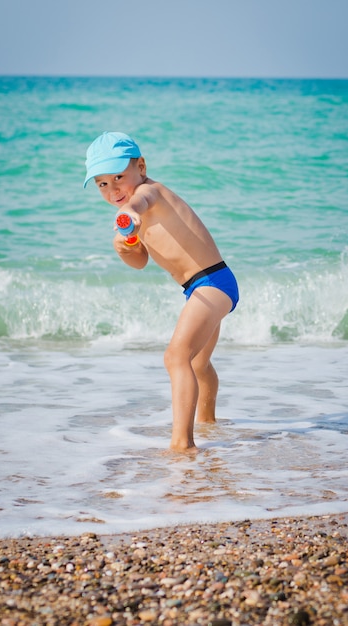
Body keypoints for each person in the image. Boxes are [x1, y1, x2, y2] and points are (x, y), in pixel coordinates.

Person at [84, 131, 239, 452]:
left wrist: (131, 212)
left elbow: (142, 200)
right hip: (203, 285)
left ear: (140, 167)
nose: (113, 190)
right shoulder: (131, 216)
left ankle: (183, 445)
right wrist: (126, 248)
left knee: (175, 357)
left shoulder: (148, 193)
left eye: (118, 177)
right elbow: (139, 261)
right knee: (197, 364)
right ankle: (208, 423)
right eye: (102, 184)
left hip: (212, 281)